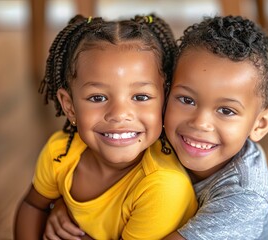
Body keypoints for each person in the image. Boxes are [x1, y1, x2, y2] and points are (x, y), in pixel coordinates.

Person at [45, 15, 268, 240]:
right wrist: (69, 205)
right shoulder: (150, 132)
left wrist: (82, 233)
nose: (199, 123)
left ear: (260, 124)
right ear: (165, 92)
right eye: (187, 100)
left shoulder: (244, 198)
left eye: (226, 111)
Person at [14, 14, 197, 240]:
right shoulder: (60, 154)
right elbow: (33, 206)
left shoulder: (164, 186)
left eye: (140, 96)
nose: (119, 114)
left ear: (165, 98)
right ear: (69, 106)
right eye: (98, 98)